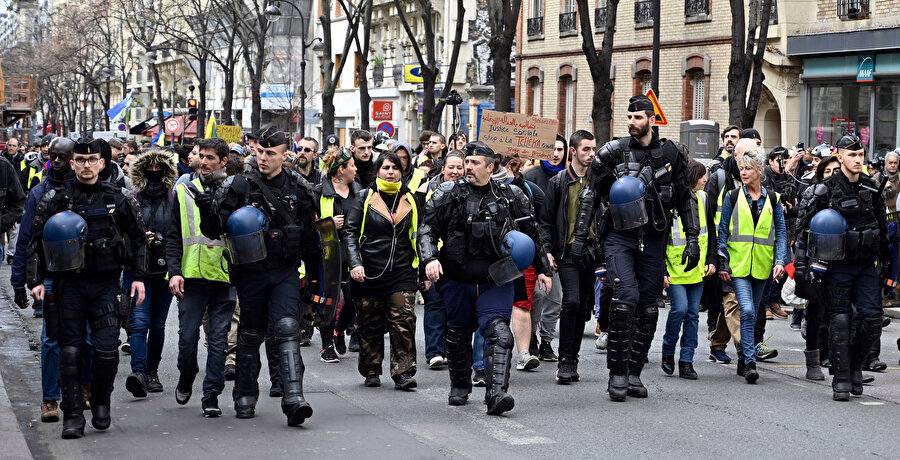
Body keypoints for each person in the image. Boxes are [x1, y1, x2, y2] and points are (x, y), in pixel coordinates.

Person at [197, 127, 321, 426]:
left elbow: (311, 239)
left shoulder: (298, 187)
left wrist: (315, 281)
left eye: (271, 153)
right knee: (251, 333)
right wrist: (207, 209)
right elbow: (214, 230)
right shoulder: (238, 186)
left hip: (284, 270)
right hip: (250, 273)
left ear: (283, 154)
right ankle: (245, 395)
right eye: (260, 152)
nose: (263, 158)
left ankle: (294, 398)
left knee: (288, 328)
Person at [27, 138, 148, 439]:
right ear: (72, 163)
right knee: (70, 351)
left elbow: (137, 239)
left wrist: (137, 277)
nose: (85, 165)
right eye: (80, 160)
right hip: (68, 286)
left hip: (105, 286)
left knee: (106, 351)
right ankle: (72, 415)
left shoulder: (118, 198)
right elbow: (35, 242)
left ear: (102, 163)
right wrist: (37, 281)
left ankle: (101, 402)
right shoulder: (56, 198)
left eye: (91, 159)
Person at [419, 141, 552, 415]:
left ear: (491, 167)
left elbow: (532, 233)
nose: (467, 167)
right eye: (466, 162)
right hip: (457, 277)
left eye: (475, 162)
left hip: (497, 279)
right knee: (457, 333)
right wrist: (430, 258)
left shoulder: (511, 196)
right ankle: (459, 386)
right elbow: (427, 228)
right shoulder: (447, 193)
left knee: (500, 333)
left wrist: (542, 268)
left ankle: (497, 394)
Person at [589, 95, 700, 401]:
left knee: (649, 308)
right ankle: (617, 374)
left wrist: (693, 239)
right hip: (618, 236)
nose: (632, 122)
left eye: (638, 117)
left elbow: (685, 197)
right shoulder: (614, 151)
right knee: (626, 297)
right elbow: (591, 195)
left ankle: (634, 372)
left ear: (652, 119)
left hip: (653, 238)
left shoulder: (670, 152)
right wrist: (584, 243)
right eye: (629, 117)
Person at [795, 133, 889, 401]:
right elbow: (806, 232)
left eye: (861, 155)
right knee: (840, 320)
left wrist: (886, 269)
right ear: (840, 157)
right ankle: (842, 378)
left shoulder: (872, 188)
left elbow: (882, 230)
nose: (858, 160)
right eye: (852, 155)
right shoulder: (826, 189)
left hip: (865, 265)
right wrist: (803, 269)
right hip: (836, 266)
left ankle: (856, 366)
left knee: (872, 319)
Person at [166, 137, 237, 417]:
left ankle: (212, 394)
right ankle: (187, 374)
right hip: (191, 277)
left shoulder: (235, 190)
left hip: (224, 276)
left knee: (219, 341)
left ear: (223, 162)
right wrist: (173, 272)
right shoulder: (182, 189)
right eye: (201, 156)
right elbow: (173, 235)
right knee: (186, 339)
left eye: (211, 158)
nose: (204, 162)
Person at [11, 137, 79, 424]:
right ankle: (50, 399)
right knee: (51, 339)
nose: (57, 162)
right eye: (53, 156)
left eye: (63, 157)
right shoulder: (39, 193)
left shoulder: (86, 191)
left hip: (82, 276)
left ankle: (83, 389)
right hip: (50, 276)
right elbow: (25, 239)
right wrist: (19, 282)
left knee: (85, 337)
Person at [343, 151, 419, 389]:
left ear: (401, 171)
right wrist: (355, 264)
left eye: (395, 167)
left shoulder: (410, 198)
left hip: (402, 271)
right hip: (369, 272)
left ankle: (403, 372)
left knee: (404, 320)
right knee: (369, 324)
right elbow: (350, 232)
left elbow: (418, 233)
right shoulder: (364, 197)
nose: (391, 172)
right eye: (386, 167)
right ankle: (371, 369)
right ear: (378, 170)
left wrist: (424, 269)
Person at [716, 147, 788, 384]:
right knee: (746, 311)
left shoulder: (773, 199)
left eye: (748, 169)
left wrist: (780, 262)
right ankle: (749, 362)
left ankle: (742, 360)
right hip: (738, 265)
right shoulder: (733, 197)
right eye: (741, 169)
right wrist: (723, 261)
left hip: (762, 266)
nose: (744, 173)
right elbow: (722, 231)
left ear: (760, 171)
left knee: (754, 314)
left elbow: (781, 234)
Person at [541, 130, 601, 383]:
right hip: (566, 253)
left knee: (583, 308)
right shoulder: (558, 183)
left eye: (594, 149)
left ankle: (572, 359)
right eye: (586, 149)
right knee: (572, 302)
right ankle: (565, 360)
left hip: (591, 252)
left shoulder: (600, 182)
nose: (591, 154)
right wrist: (546, 251)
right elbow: (544, 221)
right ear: (573, 152)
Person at [123, 150, 177, 398]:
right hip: (138, 270)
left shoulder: (174, 198)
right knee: (138, 323)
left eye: (159, 167)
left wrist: (164, 243)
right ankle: (139, 372)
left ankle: (152, 371)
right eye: (149, 167)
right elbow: (121, 234)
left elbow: (179, 234)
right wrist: (138, 239)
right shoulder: (132, 198)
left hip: (164, 270)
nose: (154, 171)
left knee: (157, 325)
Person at [661, 160, 716, 379]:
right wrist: (661, 270)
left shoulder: (703, 198)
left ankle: (686, 360)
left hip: (697, 268)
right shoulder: (668, 201)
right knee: (680, 309)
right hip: (674, 269)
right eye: (702, 176)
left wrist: (712, 258)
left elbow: (710, 231)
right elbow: (660, 238)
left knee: (693, 314)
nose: (705, 180)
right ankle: (667, 351)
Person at [312, 148, 361, 362]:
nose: (355, 169)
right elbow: (308, 225)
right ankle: (326, 346)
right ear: (340, 170)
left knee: (352, 301)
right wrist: (329, 224)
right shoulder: (317, 192)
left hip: (353, 253)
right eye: (352, 165)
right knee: (329, 301)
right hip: (328, 255)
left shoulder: (359, 190)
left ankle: (339, 331)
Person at [524, 134, 567, 361]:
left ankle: (547, 340)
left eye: (560, 149)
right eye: (552, 149)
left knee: (556, 297)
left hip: (558, 247)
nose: (556, 154)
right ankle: (530, 337)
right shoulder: (530, 176)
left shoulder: (566, 177)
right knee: (537, 295)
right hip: (534, 247)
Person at [0, 137, 26, 265]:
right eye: (9, 145)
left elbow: (19, 196)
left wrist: (5, 220)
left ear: (18, 147)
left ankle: (11, 254)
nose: (11, 147)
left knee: (15, 230)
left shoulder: (21, 162)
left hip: (11, 199)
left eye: (14, 145)